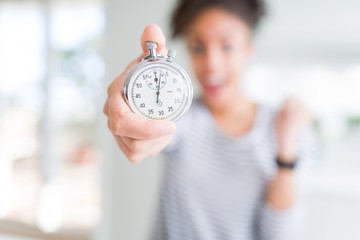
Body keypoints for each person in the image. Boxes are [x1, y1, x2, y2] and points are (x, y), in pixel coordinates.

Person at [103, 0, 316, 239]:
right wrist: (133, 98)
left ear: (249, 48)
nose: (212, 65)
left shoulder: (286, 128)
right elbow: (160, 130)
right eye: (198, 48)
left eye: (227, 46)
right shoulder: (183, 117)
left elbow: (280, 235)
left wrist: (286, 151)